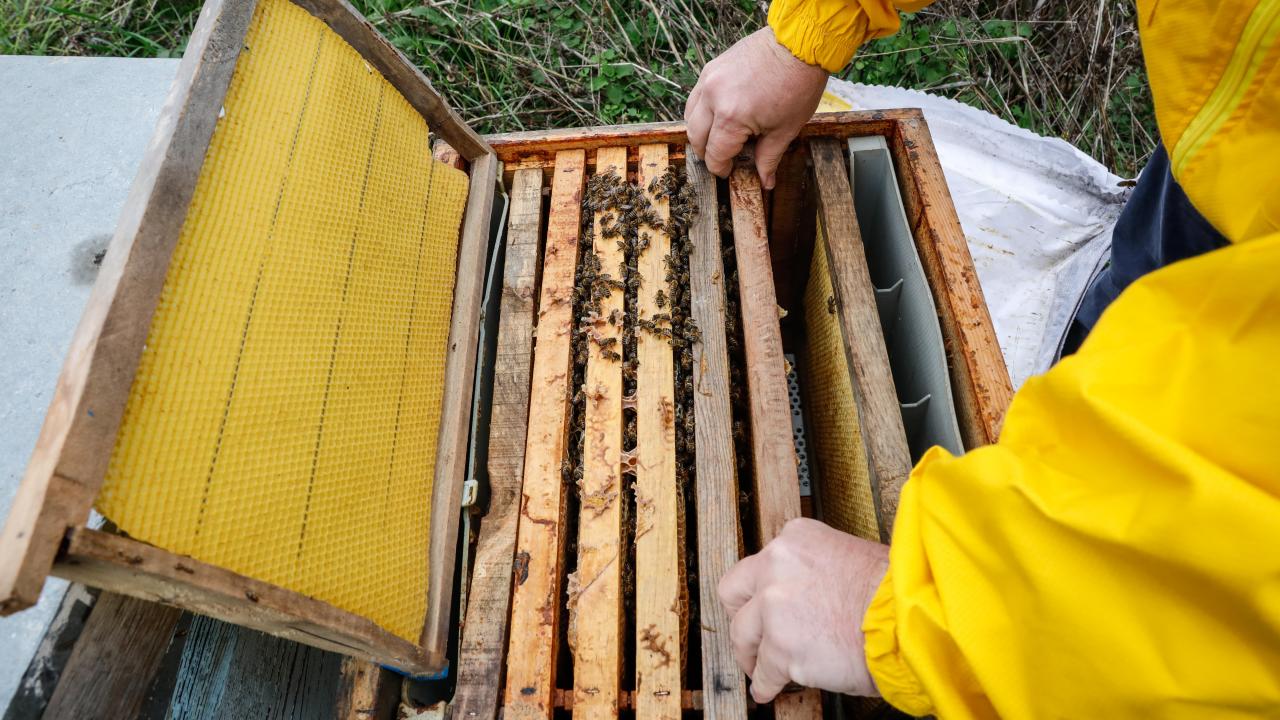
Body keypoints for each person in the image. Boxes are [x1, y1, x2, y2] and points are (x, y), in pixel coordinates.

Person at [685, 0, 1280, 716]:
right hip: (1236, 150)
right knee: (1118, 336)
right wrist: (811, 32)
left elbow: (1232, 546)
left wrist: (919, 609)